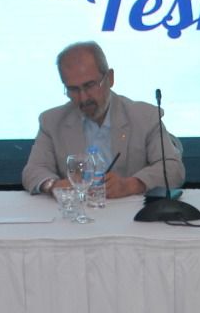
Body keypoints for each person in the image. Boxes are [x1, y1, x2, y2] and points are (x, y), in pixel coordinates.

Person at [22, 42, 185, 197]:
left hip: (131, 212)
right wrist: (53, 185)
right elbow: (33, 171)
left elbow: (173, 169)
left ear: (110, 78)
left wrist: (130, 185)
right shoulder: (52, 121)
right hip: (79, 211)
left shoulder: (145, 116)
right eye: (73, 89)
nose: (83, 98)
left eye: (89, 85)